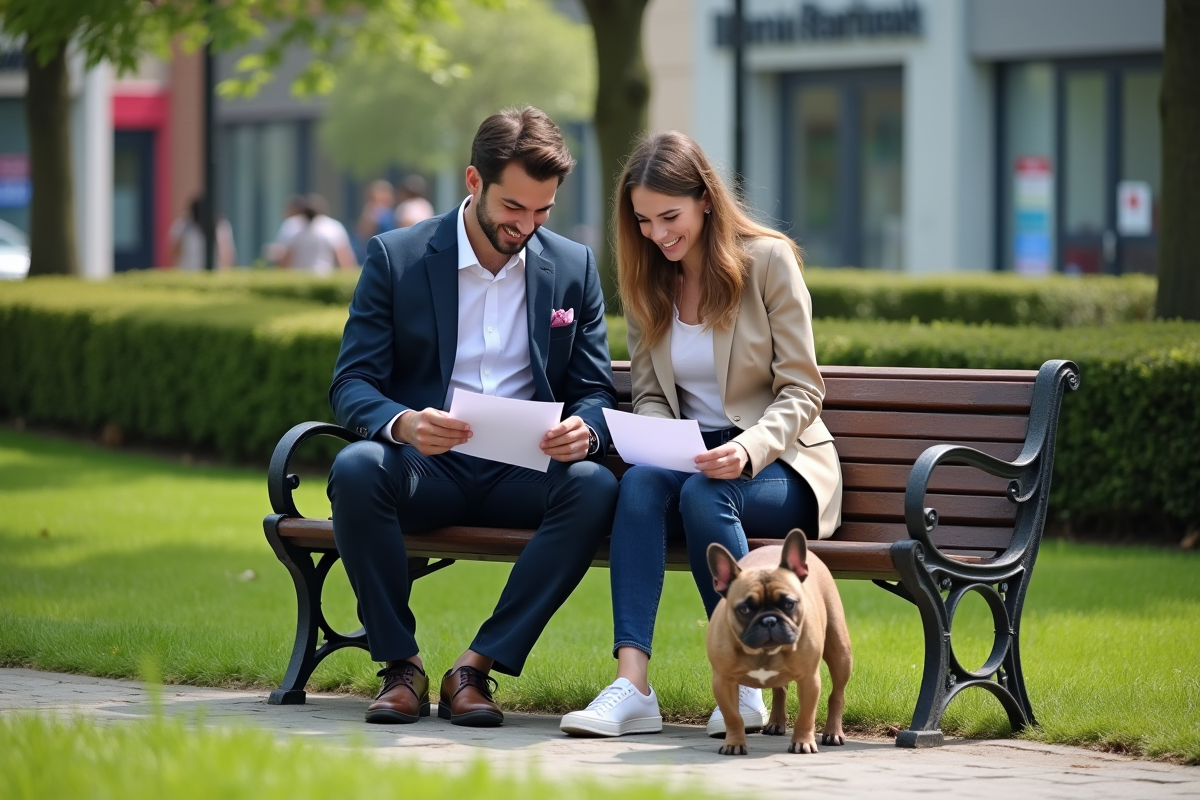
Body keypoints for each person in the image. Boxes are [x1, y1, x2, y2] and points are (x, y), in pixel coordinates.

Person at [327, 106, 619, 729]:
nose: (527, 226)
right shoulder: (397, 257)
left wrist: (584, 429)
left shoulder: (572, 267)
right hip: (425, 470)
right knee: (356, 468)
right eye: (514, 208)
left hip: (524, 474)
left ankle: (475, 669)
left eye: (543, 211)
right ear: (473, 181)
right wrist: (404, 424)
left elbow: (594, 390)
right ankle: (401, 666)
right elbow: (351, 383)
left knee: (595, 486)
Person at [559, 131, 843, 738]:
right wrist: (668, 444)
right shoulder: (648, 281)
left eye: (670, 217)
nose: (658, 234)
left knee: (701, 495)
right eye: (643, 221)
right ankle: (632, 685)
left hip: (779, 458)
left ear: (706, 200)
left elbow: (802, 390)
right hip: (694, 452)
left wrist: (744, 450)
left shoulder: (767, 261)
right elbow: (653, 394)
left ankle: (743, 683)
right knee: (638, 487)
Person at [279, 194, 357, 275]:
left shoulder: (291, 226)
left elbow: (285, 260)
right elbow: (344, 260)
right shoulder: (333, 227)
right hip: (324, 277)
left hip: (297, 279)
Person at [167, 195, 236, 270]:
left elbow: (227, 255)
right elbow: (173, 252)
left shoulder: (220, 226)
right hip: (188, 273)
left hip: (214, 273)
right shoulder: (184, 226)